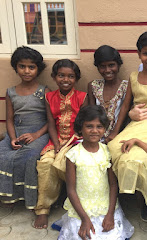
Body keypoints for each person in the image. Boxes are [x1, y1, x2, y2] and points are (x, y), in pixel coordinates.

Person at [106, 31, 147, 221]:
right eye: (146, 53)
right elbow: (126, 105)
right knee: (113, 148)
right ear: (139, 54)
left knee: (137, 157)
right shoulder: (133, 77)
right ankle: (132, 197)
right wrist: (114, 131)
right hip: (137, 123)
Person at [58, 105, 134, 240]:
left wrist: (110, 214)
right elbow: (70, 190)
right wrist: (85, 219)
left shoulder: (107, 151)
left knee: (112, 235)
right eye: (89, 126)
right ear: (81, 128)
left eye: (99, 126)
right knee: (83, 236)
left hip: (106, 206)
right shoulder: (73, 155)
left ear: (104, 129)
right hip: (82, 208)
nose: (94, 131)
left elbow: (112, 185)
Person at [34, 59, 87, 229]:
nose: (66, 79)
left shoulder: (82, 97)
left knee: (67, 163)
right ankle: (43, 209)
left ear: (76, 79)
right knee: (45, 164)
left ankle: (75, 202)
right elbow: (50, 123)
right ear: (54, 77)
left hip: (75, 141)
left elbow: (84, 124)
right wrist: (56, 143)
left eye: (71, 76)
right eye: (61, 75)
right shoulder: (49, 97)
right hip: (55, 140)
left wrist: (70, 143)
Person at [0, 46, 49, 209]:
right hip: (16, 132)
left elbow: (52, 120)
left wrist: (36, 134)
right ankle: (8, 196)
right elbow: (9, 119)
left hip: (40, 132)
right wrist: (12, 138)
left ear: (38, 69)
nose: (26, 71)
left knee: (30, 156)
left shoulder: (44, 91)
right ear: (16, 68)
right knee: (3, 155)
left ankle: (28, 198)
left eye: (31, 67)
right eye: (22, 66)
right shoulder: (11, 92)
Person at [87, 45, 128, 139]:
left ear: (118, 65)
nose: (107, 70)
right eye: (102, 66)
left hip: (118, 134)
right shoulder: (93, 86)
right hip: (96, 135)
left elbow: (125, 114)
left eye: (111, 65)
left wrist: (114, 133)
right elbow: (92, 114)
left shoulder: (126, 86)